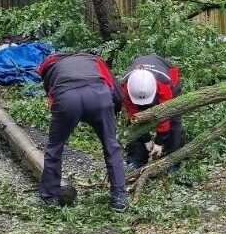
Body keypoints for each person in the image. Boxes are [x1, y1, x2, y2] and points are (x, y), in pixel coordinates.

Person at [37, 51, 129, 212]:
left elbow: (53, 100)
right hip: (99, 96)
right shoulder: (94, 61)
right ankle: (120, 198)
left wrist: (68, 119)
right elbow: (116, 90)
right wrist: (112, 112)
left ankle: (50, 197)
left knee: (54, 148)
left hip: (67, 98)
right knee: (111, 146)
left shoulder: (51, 69)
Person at [120, 54, 184, 168]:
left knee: (174, 120)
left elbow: (166, 115)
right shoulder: (125, 88)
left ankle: (172, 161)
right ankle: (136, 160)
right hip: (140, 89)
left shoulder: (165, 85)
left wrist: (159, 141)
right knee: (133, 124)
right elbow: (134, 117)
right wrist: (146, 140)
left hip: (166, 76)